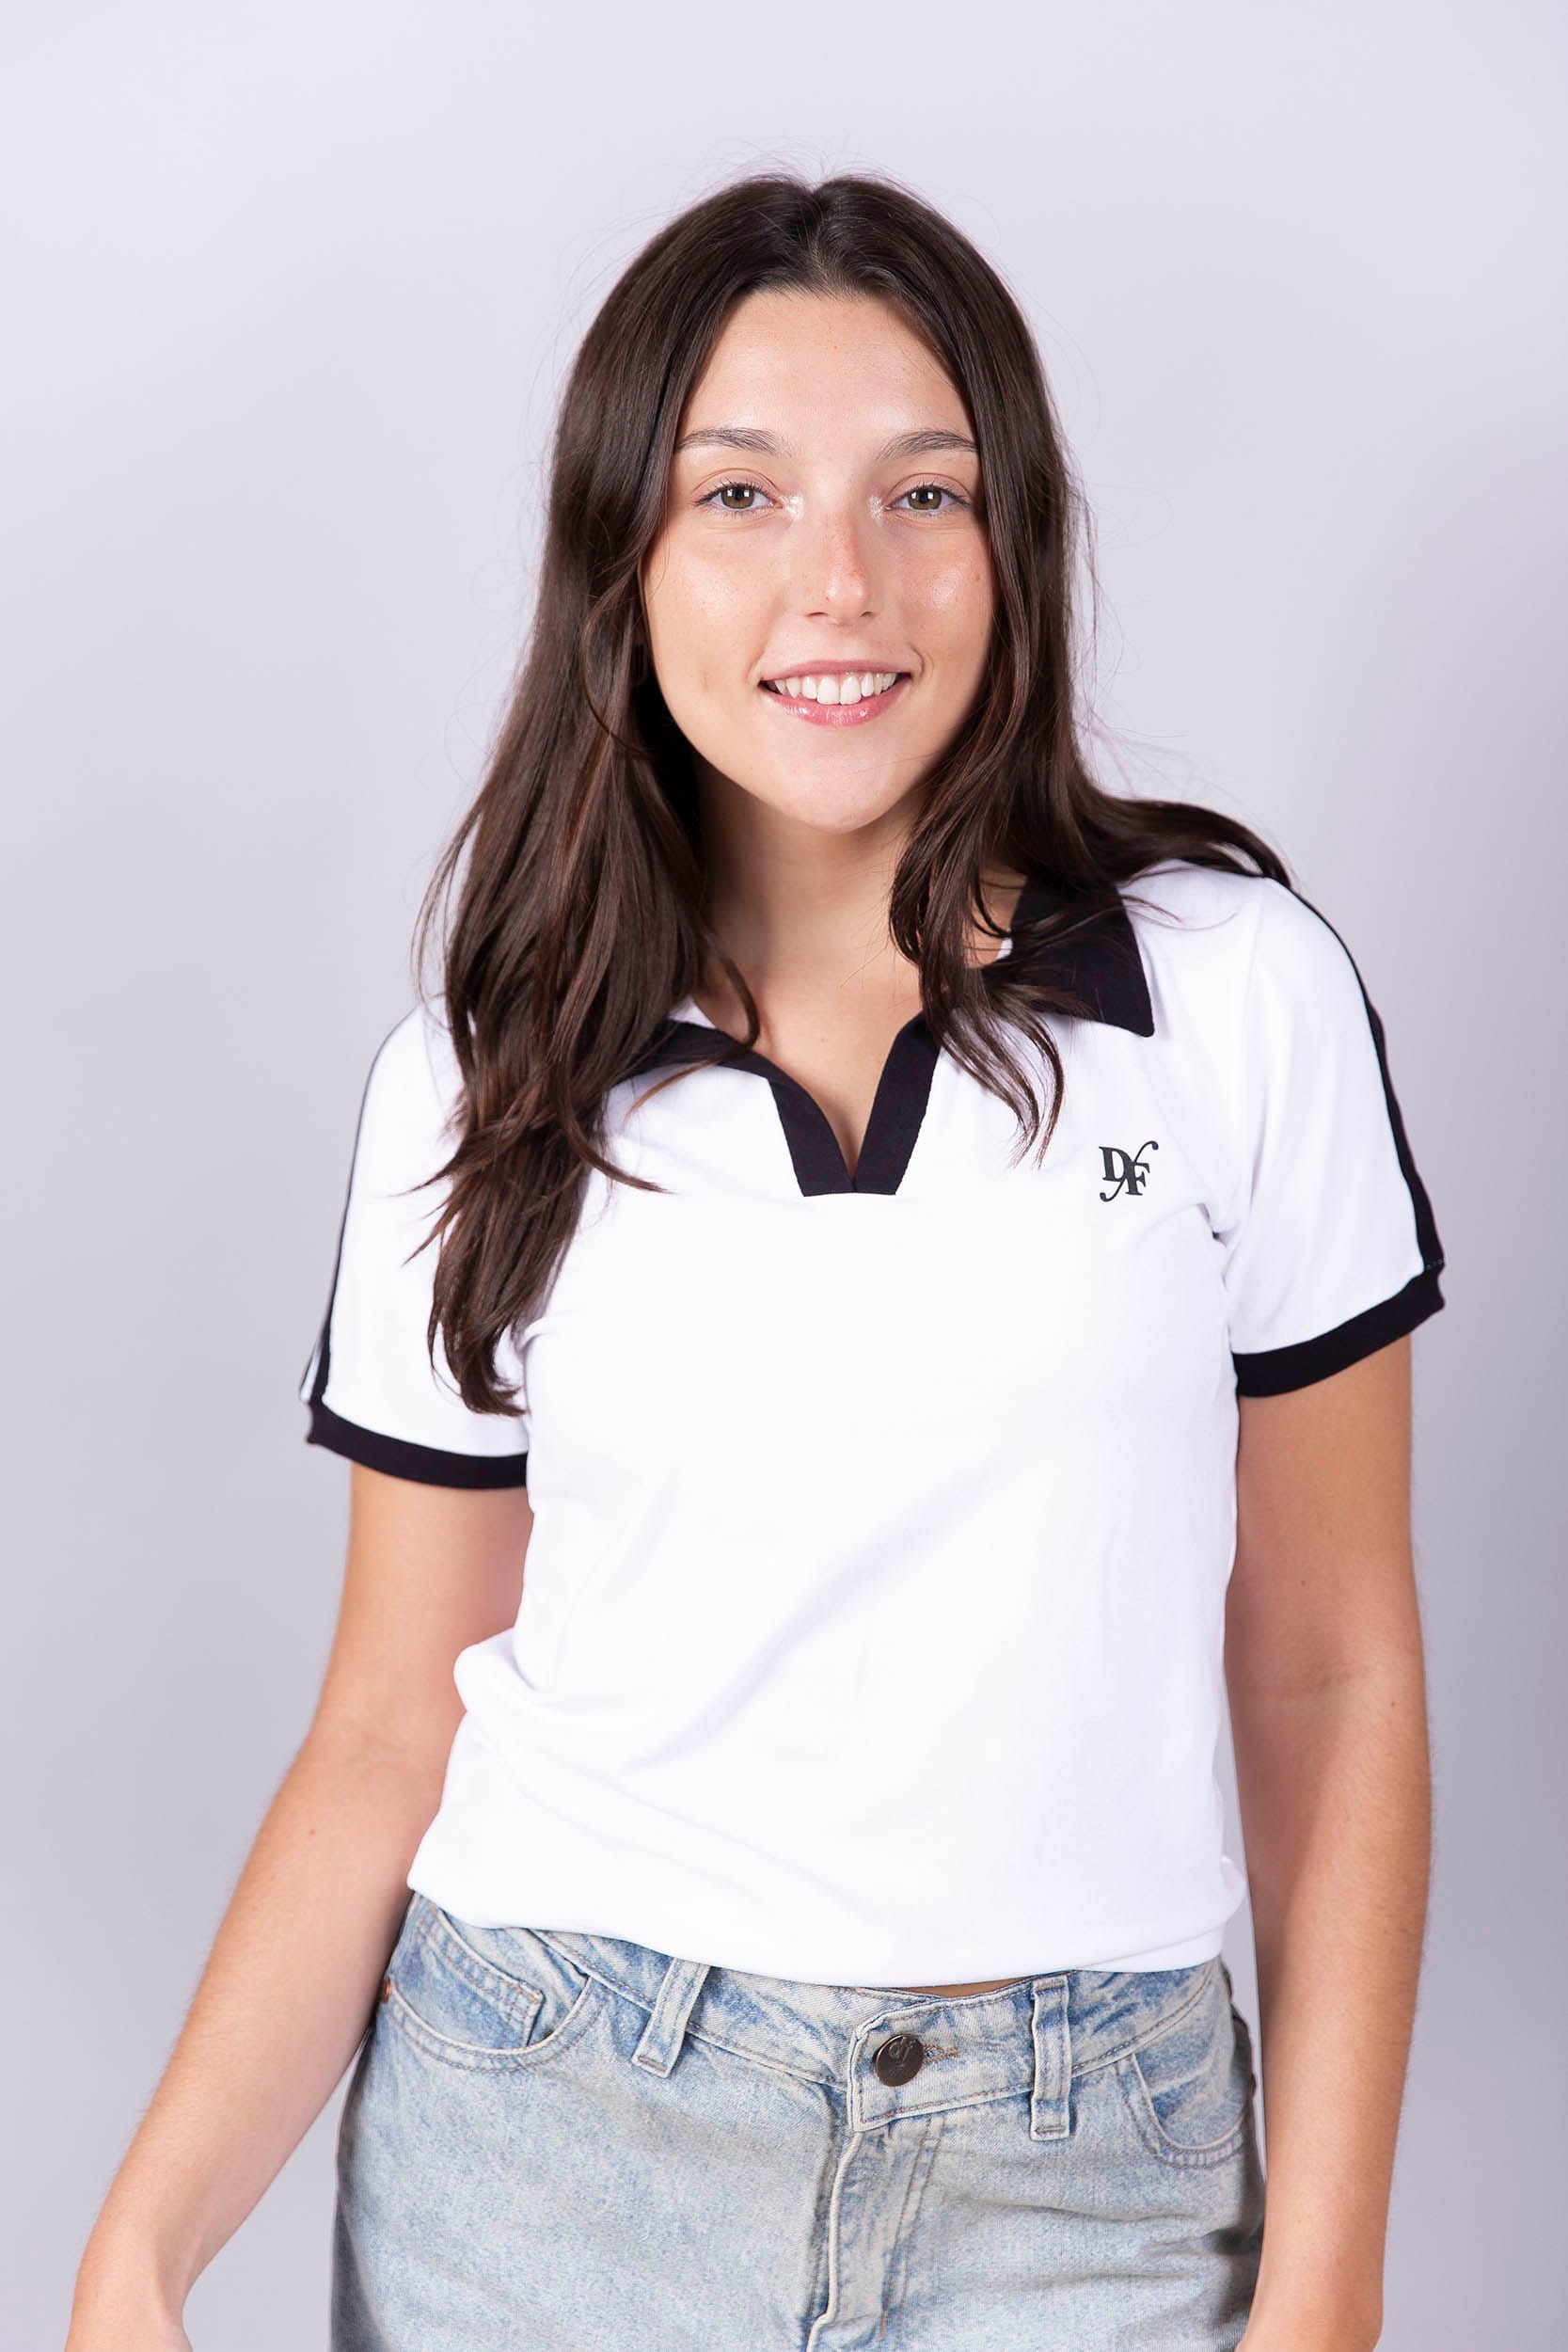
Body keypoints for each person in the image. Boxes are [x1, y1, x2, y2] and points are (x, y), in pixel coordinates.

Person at [68, 170, 1446, 2352]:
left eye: (925, 491)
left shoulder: (1235, 995)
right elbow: (389, 1720)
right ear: (622, 556)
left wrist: (1327, 2279)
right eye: (741, 494)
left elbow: (1334, 1670)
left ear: (1017, 544)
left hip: (1090, 2170)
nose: (842, 581)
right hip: (545, 2147)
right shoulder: (482, 1081)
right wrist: (137, 2247)